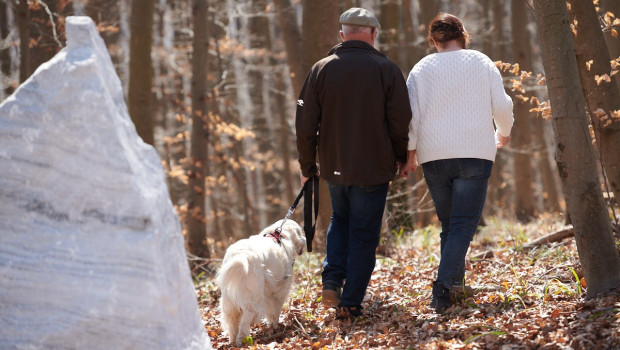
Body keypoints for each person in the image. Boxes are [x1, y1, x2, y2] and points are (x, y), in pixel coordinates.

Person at [295, 7, 412, 317]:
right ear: (373, 34)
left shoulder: (321, 69)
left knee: (340, 221)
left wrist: (308, 167)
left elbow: (305, 124)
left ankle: (332, 280)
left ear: (341, 34)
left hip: (334, 166)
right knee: (363, 233)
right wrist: (403, 158)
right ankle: (350, 302)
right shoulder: (387, 69)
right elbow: (401, 122)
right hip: (373, 168)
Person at [399, 13, 514, 314]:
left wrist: (410, 154)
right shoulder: (481, 62)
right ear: (463, 34)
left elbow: (411, 117)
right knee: (463, 226)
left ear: (434, 39)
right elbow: (501, 105)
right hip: (475, 151)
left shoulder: (420, 69)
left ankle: (455, 287)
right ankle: (441, 289)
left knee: (450, 225)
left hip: (434, 156)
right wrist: (504, 132)